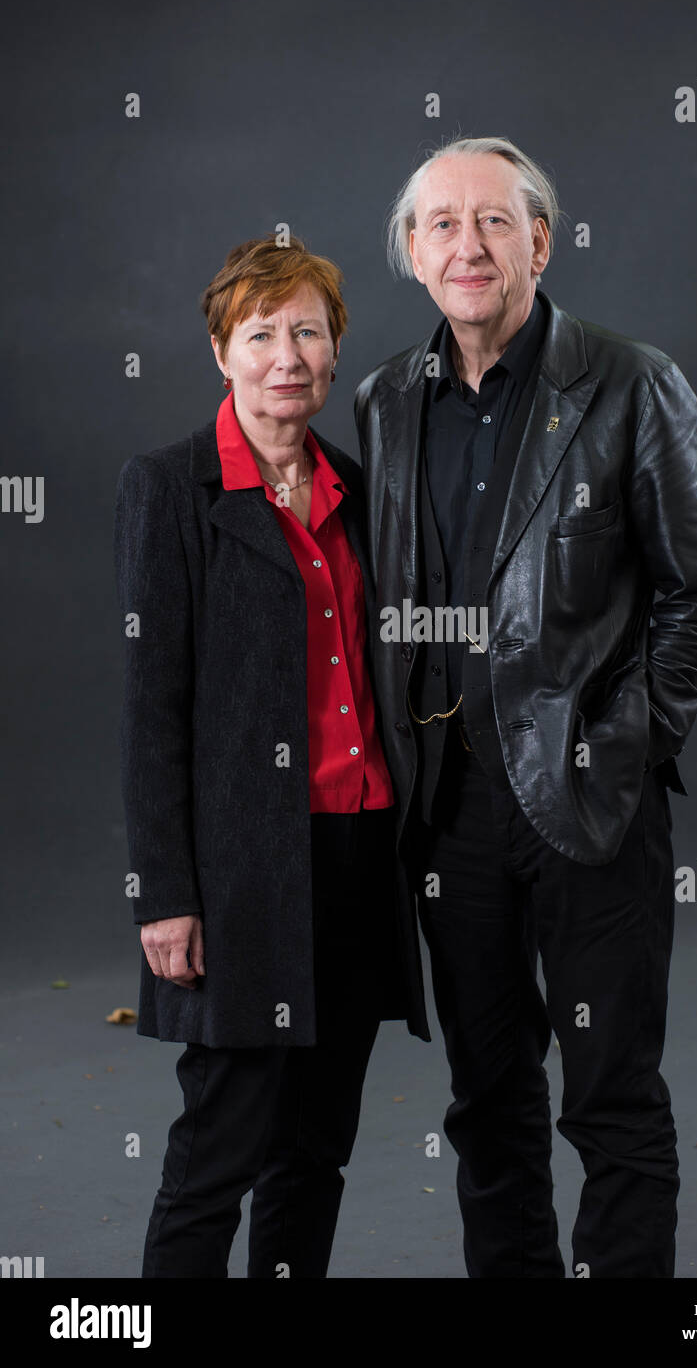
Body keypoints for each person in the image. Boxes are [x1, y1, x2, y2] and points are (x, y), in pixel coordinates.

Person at [355, 136, 697, 1278]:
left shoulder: (630, 382)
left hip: (589, 804)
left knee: (612, 1098)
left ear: (541, 241)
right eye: (440, 224)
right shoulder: (385, 402)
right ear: (413, 253)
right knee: (489, 1099)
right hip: (446, 811)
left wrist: (617, 749)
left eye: (492, 221)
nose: (466, 244)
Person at [114, 233, 428, 1279]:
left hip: (356, 858)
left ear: (336, 350)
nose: (287, 353)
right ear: (221, 351)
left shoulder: (355, 485)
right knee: (219, 1152)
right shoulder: (172, 490)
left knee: (314, 1152)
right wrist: (167, 894)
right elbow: (151, 708)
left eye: (308, 329)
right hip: (246, 875)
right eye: (262, 333)